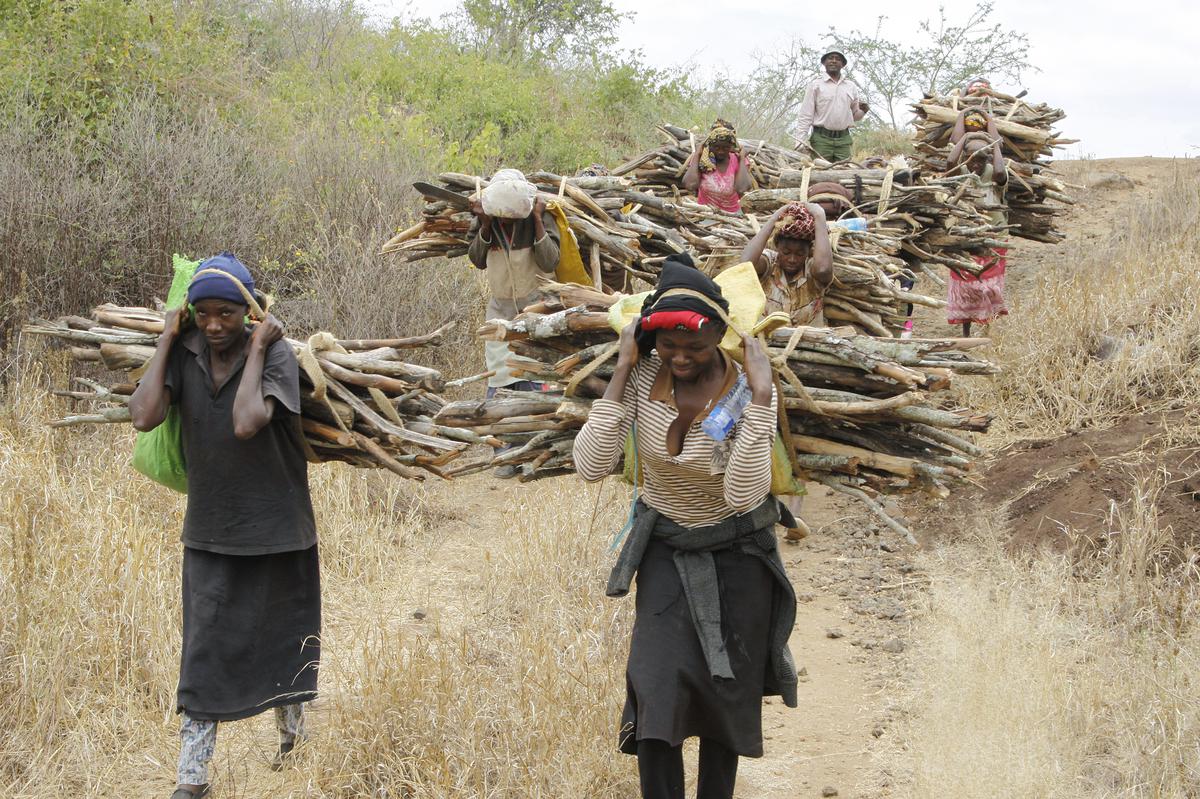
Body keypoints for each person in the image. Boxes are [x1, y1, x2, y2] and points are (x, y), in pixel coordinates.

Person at [574, 254, 798, 799]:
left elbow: (743, 494)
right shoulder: (644, 375)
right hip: (666, 553)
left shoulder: (744, 391)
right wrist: (623, 369)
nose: (679, 357)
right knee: (656, 692)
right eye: (667, 346)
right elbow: (589, 464)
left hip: (739, 560)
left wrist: (764, 398)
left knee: (725, 701)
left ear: (720, 336)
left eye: (694, 347)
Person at [128, 253, 320, 799]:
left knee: (285, 641)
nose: (214, 326)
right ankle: (193, 778)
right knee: (204, 652)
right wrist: (167, 340)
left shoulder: (277, 354)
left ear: (249, 314)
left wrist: (258, 347)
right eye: (204, 313)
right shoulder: (184, 352)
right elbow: (143, 416)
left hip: (280, 526)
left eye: (228, 315)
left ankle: (294, 742)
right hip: (211, 529)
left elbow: (246, 422)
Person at [468, 168, 562, 476]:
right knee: (500, 378)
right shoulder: (488, 220)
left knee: (538, 379)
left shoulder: (539, 217)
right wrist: (483, 223)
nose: (506, 218)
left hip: (538, 308)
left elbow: (550, 261)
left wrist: (536, 221)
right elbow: (477, 259)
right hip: (500, 310)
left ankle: (535, 450)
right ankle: (505, 453)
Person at [945, 109, 1009, 336]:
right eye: (972, 159)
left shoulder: (995, 174)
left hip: (994, 236)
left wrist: (993, 147)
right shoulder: (960, 173)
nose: (976, 165)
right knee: (965, 287)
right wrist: (965, 138)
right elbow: (950, 161)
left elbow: (1000, 171)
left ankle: (988, 328)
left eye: (981, 159)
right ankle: (966, 332)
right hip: (966, 237)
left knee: (989, 288)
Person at [741, 201, 833, 328]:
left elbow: (823, 269)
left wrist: (819, 216)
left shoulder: (812, 269)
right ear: (777, 246)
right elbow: (745, 265)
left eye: (800, 254)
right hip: (765, 344)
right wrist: (775, 218)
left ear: (809, 252)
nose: (792, 259)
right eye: (786, 252)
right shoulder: (769, 263)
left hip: (808, 345)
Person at [795, 49, 868, 163]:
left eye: (838, 59)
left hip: (843, 140)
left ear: (843, 64)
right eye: (830, 58)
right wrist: (799, 142)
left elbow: (854, 116)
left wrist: (863, 111)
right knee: (819, 174)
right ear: (824, 62)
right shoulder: (816, 85)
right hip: (821, 139)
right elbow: (805, 115)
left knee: (845, 174)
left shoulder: (850, 86)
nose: (834, 61)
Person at [683, 120, 753, 213]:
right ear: (710, 146)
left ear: (731, 147)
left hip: (733, 214)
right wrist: (697, 154)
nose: (721, 151)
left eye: (725, 148)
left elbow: (742, 189)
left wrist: (741, 159)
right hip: (706, 213)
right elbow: (690, 185)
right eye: (716, 147)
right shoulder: (703, 160)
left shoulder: (737, 159)